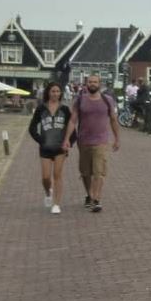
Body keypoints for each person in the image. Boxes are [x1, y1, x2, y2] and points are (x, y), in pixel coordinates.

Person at [62, 74, 120, 213]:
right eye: (90, 82)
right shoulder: (80, 100)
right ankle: (89, 194)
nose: (92, 84)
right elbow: (72, 120)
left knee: (98, 172)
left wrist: (117, 138)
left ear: (100, 84)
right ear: (86, 84)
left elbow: (113, 119)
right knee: (85, 172)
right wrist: (66, 139)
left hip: (101, 141)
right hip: (84, 141)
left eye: (95, 82)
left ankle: (97, 199)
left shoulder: (108, 100)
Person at [28, 82, 71, 214]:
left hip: (60, 147)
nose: (55, 94)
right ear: (48, 92)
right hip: (45, 147)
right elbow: (32, 128)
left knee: (57, 175)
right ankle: (48, 192)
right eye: (53, 91)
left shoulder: (65, 109)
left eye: (58, 91)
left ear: (61, 93)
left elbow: (72, 127)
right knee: (46, 177)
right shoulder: (41, 109)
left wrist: (69, 142)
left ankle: (56, 204)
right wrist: (40, 139)